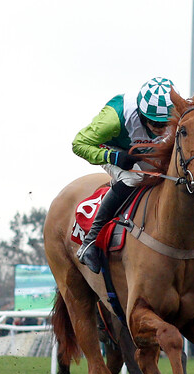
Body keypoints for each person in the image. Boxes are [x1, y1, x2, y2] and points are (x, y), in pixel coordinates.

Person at [72, 77, 176, 273]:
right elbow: (79, 144)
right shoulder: (113, 118)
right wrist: (112, 156)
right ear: (141, 113)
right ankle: (90, 241)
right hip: (111, 149)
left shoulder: (178, 114)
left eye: (165, 123)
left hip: (142, 150)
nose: (160, 129)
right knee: (134, 178)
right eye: (154, 123)